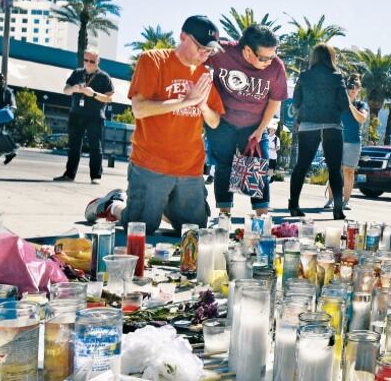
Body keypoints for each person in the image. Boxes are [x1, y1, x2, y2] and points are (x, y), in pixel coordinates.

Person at [84, 15, 225, 235]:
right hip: (151, 164)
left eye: (210, 51)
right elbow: (139, 109)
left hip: (190, 168)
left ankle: (163, 204)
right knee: (140, 228)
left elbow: (214, 122)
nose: (204, 55)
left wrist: (203, 105)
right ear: (183, 37)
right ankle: (113, 204)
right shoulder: (153, 60)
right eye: (200, 48)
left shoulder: (204, 75)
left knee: (193, 231)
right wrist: (186, 101)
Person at [205, 24, 287, 217]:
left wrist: (261, 129)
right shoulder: (221, 52)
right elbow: (194, 58)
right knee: (224, 166)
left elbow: (275, 100)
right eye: (264, 57)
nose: (269, 61)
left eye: (272, 55)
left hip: (254, 125)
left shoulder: (276, 67)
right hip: (222, 121)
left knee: (258, 165)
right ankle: (224, 216)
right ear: (248, 51)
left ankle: (261, 219)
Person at [288, 43, 349, 219]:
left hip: (308, 125)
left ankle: (293, 206)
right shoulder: (337, 77)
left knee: (301, 167)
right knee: (335, 169)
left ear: (314, 57)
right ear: (331, 57)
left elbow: (296, 102)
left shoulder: (304, 76)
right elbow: (344, 105)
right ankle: (338, 210)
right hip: (332, 125)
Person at [54, 50, 114, 184]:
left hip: (95, 116)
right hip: (76, 113)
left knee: (95, 147)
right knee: (74, 146)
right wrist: (74, 89)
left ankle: (95, 176)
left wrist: (93, 94)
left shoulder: (104, 77)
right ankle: (69, 175)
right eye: (86, 60)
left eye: (91, 61)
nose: (88, 63)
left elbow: (109, 99)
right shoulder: (77, 73)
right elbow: (65, 90)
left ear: (98, 62)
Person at [326, 74, 368, 211]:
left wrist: (350, 105)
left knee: (348, 171)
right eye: (350, 88)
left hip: (353, 142)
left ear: (358, 90)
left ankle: (346, 202)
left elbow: (361, 118)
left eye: (355, 89)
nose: (352, 91)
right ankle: (330, 200)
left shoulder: (361, 105)